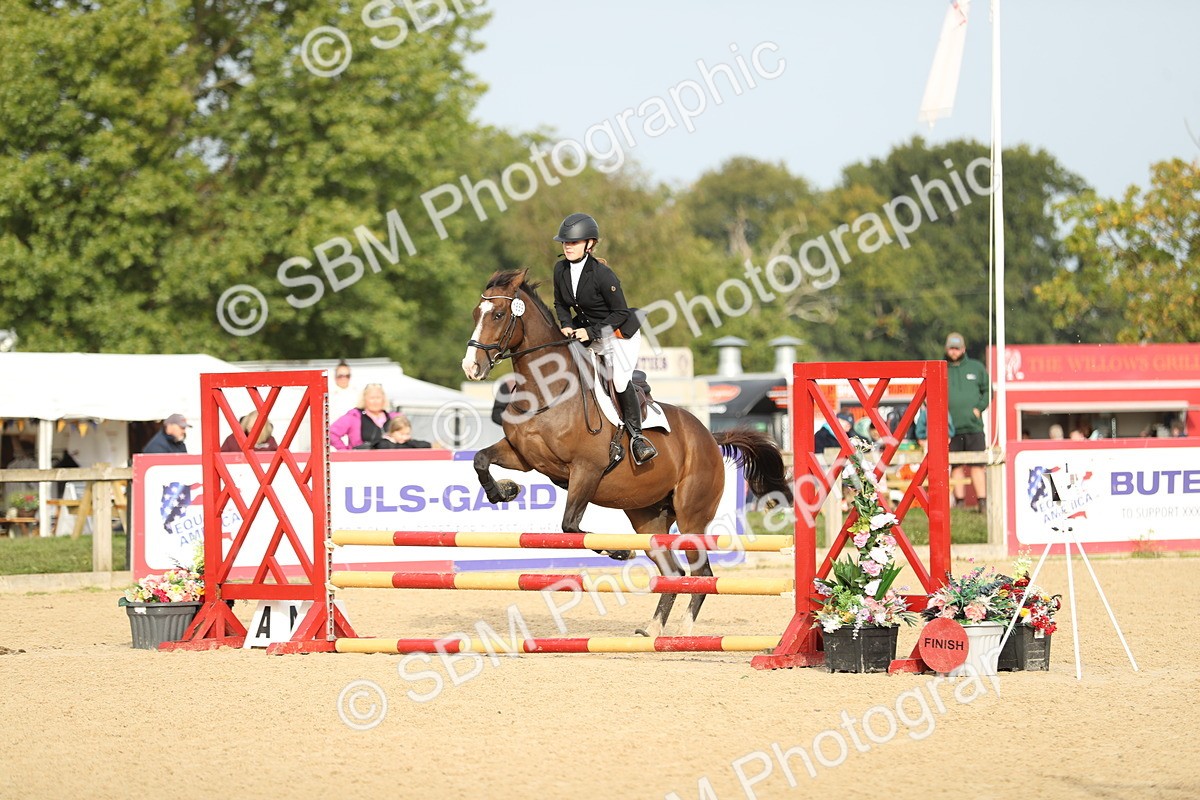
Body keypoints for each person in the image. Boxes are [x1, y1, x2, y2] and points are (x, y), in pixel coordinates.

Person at [551, 212, 656, 464]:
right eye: (565, 242)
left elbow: (620, 312)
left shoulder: (602, 274)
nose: (568, 246)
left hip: (619, 334)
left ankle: (637, 437)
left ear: (590, 244)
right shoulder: (560, 269)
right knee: (577, 376)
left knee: (618, 381)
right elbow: (560, 303)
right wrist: (565, 325)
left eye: (573, 242)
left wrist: (592, 332)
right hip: (586, 332)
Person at [944, 332, 990, 513]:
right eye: (951, 348)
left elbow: (988, 391)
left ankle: (982, 503)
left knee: (977, 465)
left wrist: (978, 409)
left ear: (963, 349)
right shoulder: (942, 368)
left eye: (957, 348)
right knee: (955, 465)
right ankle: (960, 504)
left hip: (974, 427)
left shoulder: (976, 367)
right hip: (951, 429)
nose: (954, 352)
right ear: (946, 349)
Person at [329, 384, 394, 450]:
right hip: (361, 458)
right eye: (372, 398)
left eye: (378, 398)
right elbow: (331, 433)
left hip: (390, 458)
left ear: (383, 399)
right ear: (364, 399)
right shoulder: (353, 416)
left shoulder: (393, 417)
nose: (375, 401)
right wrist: (345, 452)